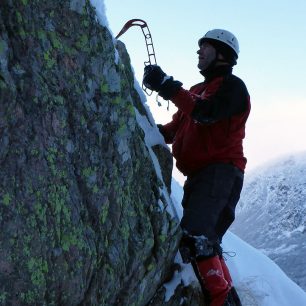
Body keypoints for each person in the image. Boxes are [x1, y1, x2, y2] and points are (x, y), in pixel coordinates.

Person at [143, 29, 250, 306]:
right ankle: (228, 301)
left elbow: (205, 113)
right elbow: (174, 129)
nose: (199, 52)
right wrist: (140, 127)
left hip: (220, 173)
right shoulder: (195, 91)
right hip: (203, 176)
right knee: (205, 243)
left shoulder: (232, 87)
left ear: (222, 54)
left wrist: (166, 85)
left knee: (196, 239)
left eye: (205, 47)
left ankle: (220, 300)